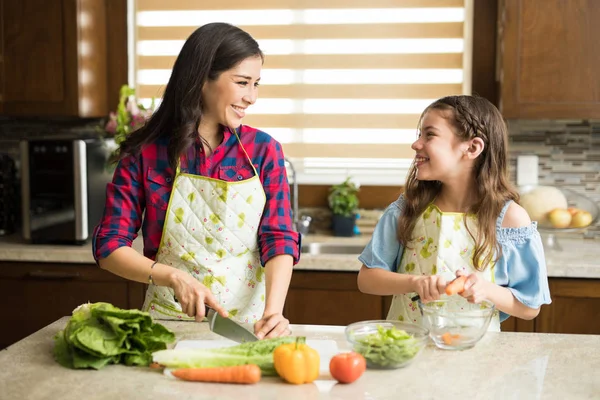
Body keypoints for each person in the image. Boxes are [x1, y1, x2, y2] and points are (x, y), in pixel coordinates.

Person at [93, 22, 300, 339]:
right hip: (166, 324)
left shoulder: (264, 150)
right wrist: (172, 277)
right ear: (203, 79)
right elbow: (109, 247)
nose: (252, 97)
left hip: (249, 326)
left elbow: (279, 236)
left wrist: (274, 312)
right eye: (242, 82)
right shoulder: (145, 153)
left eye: (256, 84)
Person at [357, 95, 551, 330]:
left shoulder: (510, 219)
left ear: (472, 148)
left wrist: (486, 289)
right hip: (408, 351)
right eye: (419, 134)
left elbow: (530, 307)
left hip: (478, 358)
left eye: (429, 134)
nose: (416, 144)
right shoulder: (407, 208)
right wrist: (415, 282)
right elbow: (367, 279)